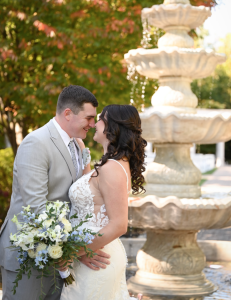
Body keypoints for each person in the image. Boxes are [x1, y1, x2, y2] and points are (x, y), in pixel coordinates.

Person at [0, 85, 111, 300]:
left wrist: (72, 253)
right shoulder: (36, 143)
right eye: (88, 118)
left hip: (59, 256)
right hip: (28, 253)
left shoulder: (78, 145)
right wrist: (77, 250)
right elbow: (36, 207)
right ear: (68, 113)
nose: (93, 124)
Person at [60, 104, 147, 300]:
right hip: (90, 255)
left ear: (112, 127)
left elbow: (119, 224)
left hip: (96, 260)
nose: (94, 124)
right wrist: (82, 152)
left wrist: (72, 252)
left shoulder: (112, 168)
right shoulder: (111, 164)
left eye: (99, 119)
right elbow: (91, 193)